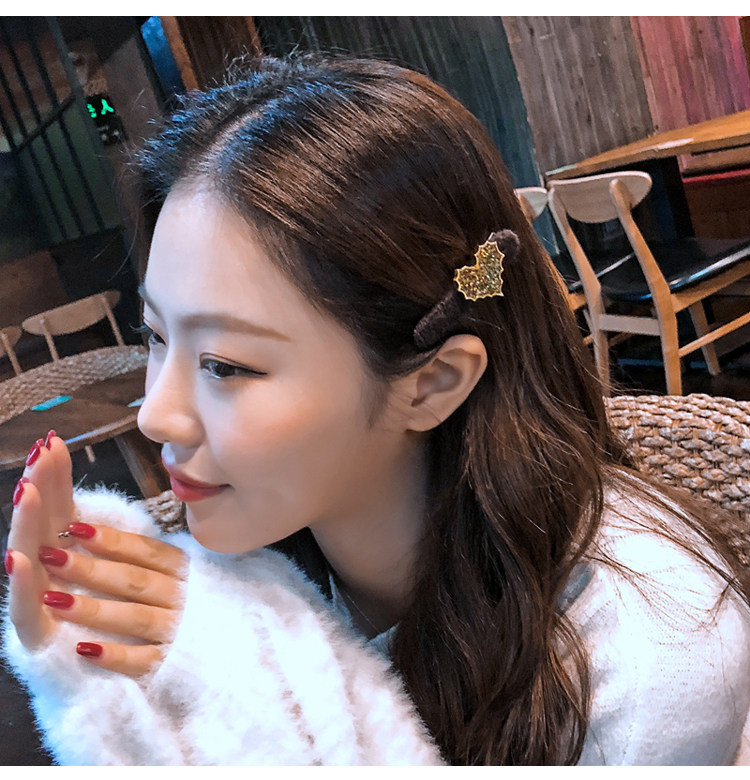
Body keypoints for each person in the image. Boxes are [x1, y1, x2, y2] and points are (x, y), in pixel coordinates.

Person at [3, 55, 750, 766]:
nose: (155, 416)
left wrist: (261, 704)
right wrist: (106, 708)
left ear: (432, 383)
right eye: (155, 336)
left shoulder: (647, 666)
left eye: (226, 364)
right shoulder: (227, 580)